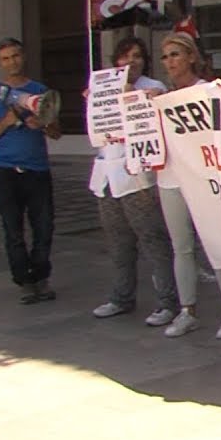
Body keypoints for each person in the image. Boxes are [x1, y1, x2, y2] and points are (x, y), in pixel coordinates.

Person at [156, 33, 221, 340]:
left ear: (192, 57)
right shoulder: (159, 97)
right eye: (165, 56)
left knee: (215, 243)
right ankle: (187, 310)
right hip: (169, 177)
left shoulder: (207, 91)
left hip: (204, 177)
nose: (170, 62)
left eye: (175, 54)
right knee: (180, 245)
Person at [89, 37, 179, 327]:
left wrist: (133, 96)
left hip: (138, 179)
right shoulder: (102, 87)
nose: (132, 61)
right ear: (116, 61)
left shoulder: (153, 88)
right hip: (107, 174)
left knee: (153, 240)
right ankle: (121, 297)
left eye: (138, 56)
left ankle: (168, 302)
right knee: (118, 242)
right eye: (126, 56)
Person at [0, 37, 61, 303]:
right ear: (0, 63)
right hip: (5, 171)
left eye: (15, 56)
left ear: (23, 57)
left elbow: (57, 132)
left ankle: (41, 277)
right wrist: (7, 121)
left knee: (44, 226)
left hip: (37, 169)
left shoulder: (39, 90)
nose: (11, 62)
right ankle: (24, 281)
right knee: (13, 230)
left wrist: (44, 124)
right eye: (5, 58)